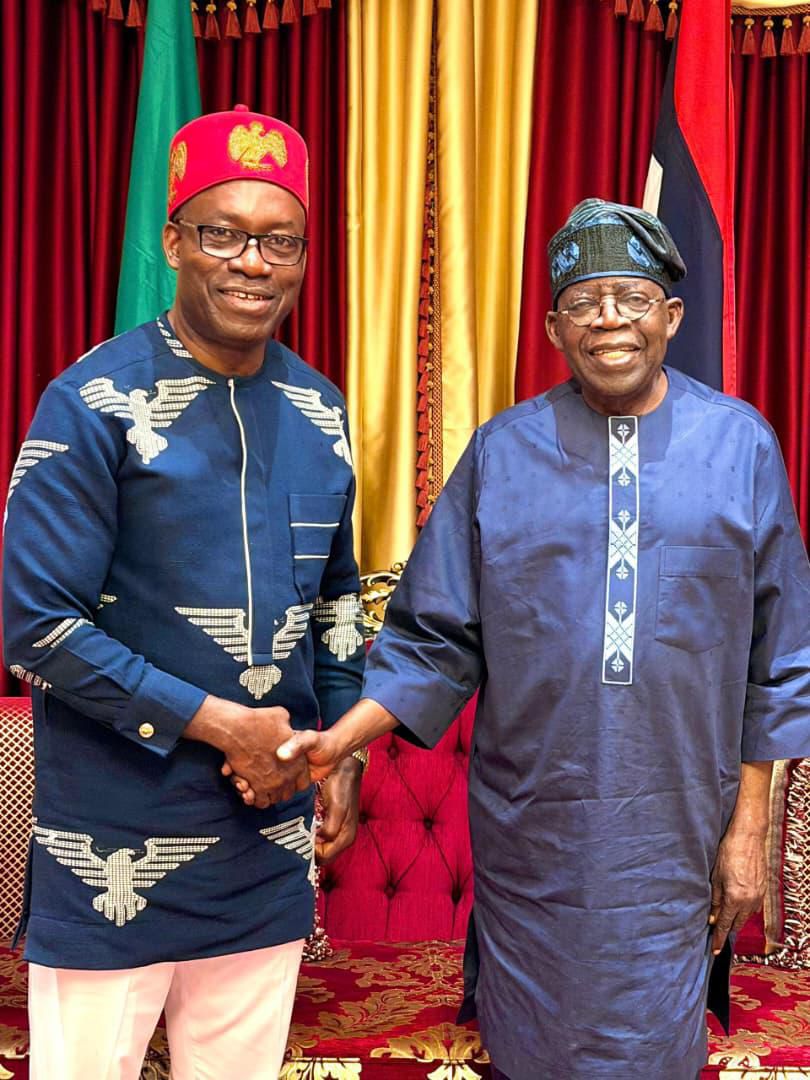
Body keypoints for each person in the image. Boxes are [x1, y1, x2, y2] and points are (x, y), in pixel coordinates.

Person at [259, 200, 810, 1078]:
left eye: (633, 299)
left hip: (678, 833)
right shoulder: (501, 453)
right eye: (584, 302)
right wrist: (344, 744)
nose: (609, 320)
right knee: (530, 1046)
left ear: (672, 316)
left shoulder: (741, 446)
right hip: (533, 832)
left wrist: (747, 832)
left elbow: (777, 660)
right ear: (555, 328)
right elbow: (433, 637)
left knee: (653, 1049)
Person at [2, 105, 365, 1080]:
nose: (253, 263)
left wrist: (341, 751)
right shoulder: (92, 401)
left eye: (280, 241)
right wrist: (221, 726)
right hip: (113, 845)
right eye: (223, 234)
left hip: (264, 839)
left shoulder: (320, 409)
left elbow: (336, 601)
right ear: (173, 243)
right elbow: (36, 628)